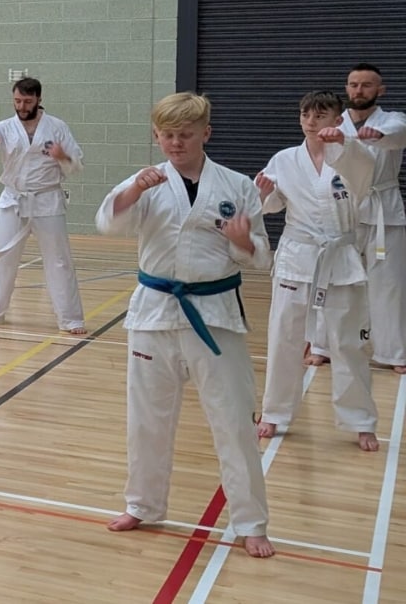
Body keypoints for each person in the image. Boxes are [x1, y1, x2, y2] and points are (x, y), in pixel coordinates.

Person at [99, 93, 273, 558]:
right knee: (147, 419)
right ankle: (143, 504)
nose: (176, 143)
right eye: (167, 134)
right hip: (154, 312)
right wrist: (134, 191)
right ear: (157, 136)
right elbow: (109, 223)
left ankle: (251, 521)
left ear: (205, 134)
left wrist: (242, 242)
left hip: (216, 317)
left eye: (186, 134)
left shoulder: (237, 185)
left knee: (234, 421)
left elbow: (261, 257)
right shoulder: (147, 182)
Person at [256, 91, 381, 451]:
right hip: (298, 256)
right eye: (306, 114)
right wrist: (262, 192)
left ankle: (360, 420)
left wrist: (347, 143)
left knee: (349, 343)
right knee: (284, 336)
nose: (311, 121)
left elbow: (363, 181)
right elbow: (270, 205)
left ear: (337, 118)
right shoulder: (285, 159)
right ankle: (274, 412)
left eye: (321, 115)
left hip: (340, 256)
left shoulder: (354, 155)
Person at [0, 77, 87, 334]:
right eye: (18, 101)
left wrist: (62, 156)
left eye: (28, 101)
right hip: (14, 199)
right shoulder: (5, 127)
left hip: (47, 200)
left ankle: (70, 318)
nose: (22, 106)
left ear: (39, 100)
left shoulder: (56, 127)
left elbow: (77, 163)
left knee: (59, 260)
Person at [340, 64, 406, 373]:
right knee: (337, 281)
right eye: (354, 84)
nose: (359, 90)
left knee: (388, 284)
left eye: (367, 85)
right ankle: (327, 344)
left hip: (384, 213)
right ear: (347, 87)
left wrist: (376, 134)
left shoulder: (393, 121)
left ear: (380, 90)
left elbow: (398, 135)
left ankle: (392, 352)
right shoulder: (335, 123)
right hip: (344, 211)